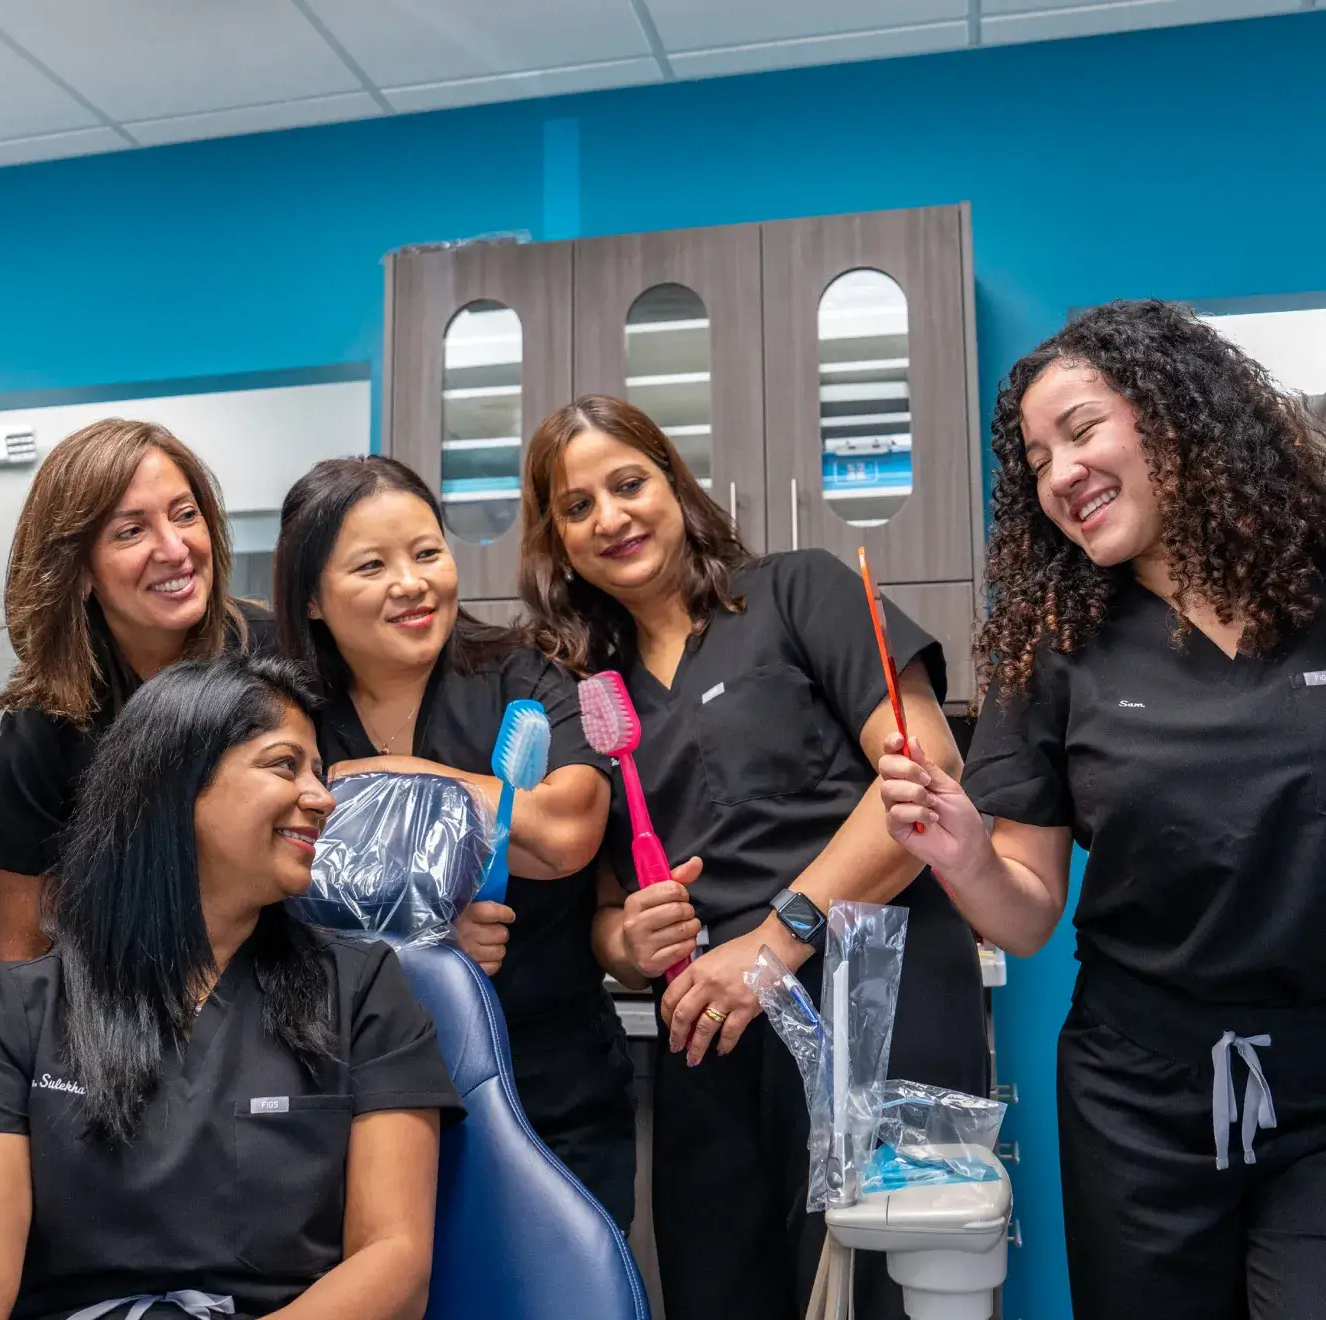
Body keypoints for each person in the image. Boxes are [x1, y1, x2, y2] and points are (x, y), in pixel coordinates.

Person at [877, 300, 1326, 1319]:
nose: (1059, 475)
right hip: (1136, 1097)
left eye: (1080, 430)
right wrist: (959, 853)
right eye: (1035, 461)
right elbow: (1026, 912)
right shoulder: (1050, 651)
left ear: (1175, 416)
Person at [519, 394, 987, 1320]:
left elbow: (926, 771)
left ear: (675, 486)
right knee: (719, 1287)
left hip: (874, 998)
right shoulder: (587, 690)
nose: (609, 517)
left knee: (889, 1292)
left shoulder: (799, 590)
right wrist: (626, 942)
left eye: (628, 483)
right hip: (711, 1035)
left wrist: (777, 943)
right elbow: (608, 911)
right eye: (577, 507)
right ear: (557, 541)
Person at [0, 653, 462, 1320]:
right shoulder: (16, 1011)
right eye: (285, 765)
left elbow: (392, 1261)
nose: (323, 798)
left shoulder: (363, 993)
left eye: (319, 771)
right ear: (176, 783)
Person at [272, 456, 635, 1227]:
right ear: (311, 598)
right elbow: (255, 893)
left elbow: (568, 831)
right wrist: (420, 941)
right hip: (347, 1095)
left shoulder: (520, 676)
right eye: (372, 565)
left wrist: (392, 775)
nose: (412, 583)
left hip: (551, 1090)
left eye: (427, 553)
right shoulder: (283, 713)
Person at [0, 419, 276, 961]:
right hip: (128, 1015)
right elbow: (16, 960)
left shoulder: (271, 655)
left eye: (186, 516)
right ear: (80, 571)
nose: (175, 548)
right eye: (130, 531)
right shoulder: (42, 735)